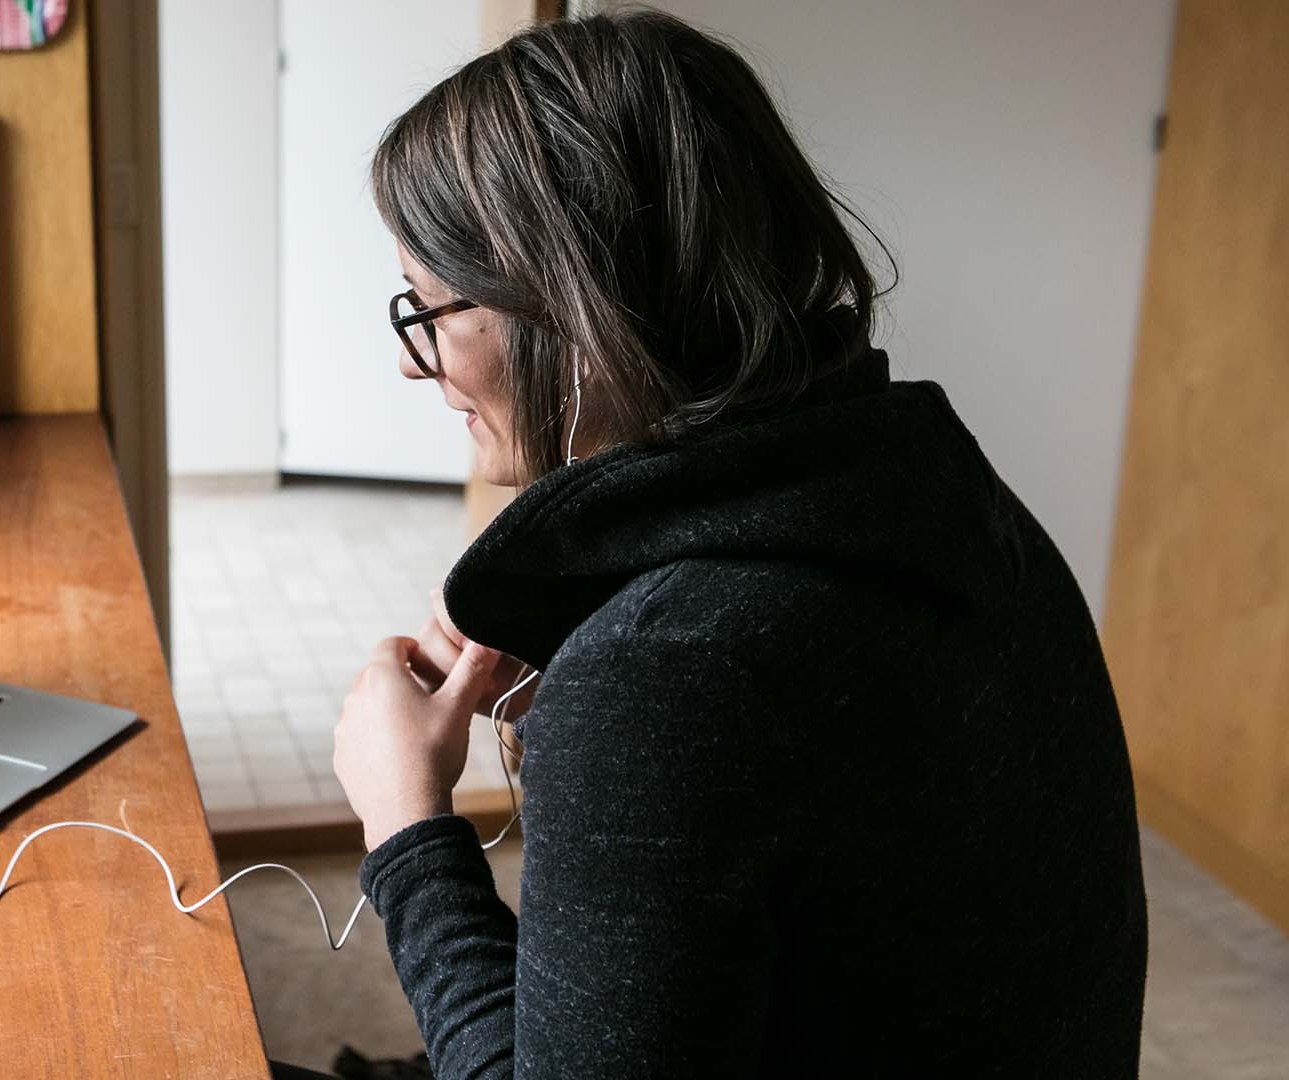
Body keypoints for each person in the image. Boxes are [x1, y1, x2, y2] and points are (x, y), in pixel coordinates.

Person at [328, 11, 1146, 1077]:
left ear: (570, 305)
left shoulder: (669, 670)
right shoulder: (941, 495)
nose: (412, 360)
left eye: (430, 306)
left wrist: (408, 828)